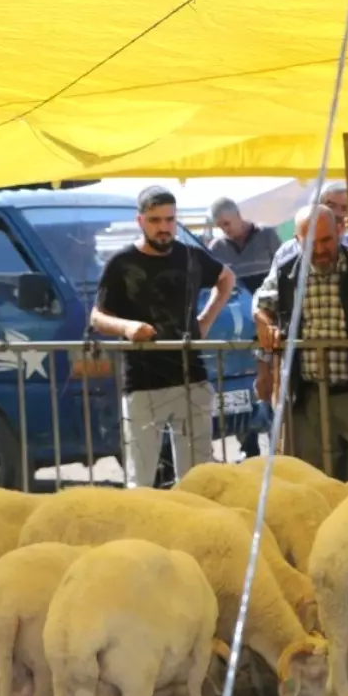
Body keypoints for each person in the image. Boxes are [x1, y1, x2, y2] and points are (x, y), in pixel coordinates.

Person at [92, 185, 235, 488]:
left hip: (191, 377)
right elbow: (97, 317)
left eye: (170, 220)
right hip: (143, 383)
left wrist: (206, 319)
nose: (164, 228)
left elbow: (226, 278)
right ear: (140, 221)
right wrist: (127, 327)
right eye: (155, 220)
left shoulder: (191, 256)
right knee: (141, 480)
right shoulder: (121, 263)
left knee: (197, 480)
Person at [253, 204, 348, 480]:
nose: (318, 250)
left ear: (340, 231)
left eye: (326, 240)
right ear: (296, 241)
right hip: (307, 397)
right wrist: (264, 323)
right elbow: (261, 304)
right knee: (315, 481)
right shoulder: (286, 272)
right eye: (310, 243)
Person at [207, 196, 284, 460]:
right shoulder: (216, 247)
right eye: (219, 225)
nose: (224, 229)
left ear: (238, 216)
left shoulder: (268, 236)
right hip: (239, 327)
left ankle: (279, 444)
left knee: (274, 381)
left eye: (227, 223)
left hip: (271, 321)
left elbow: (285, 274)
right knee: (247, 386)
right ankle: (248, 444)